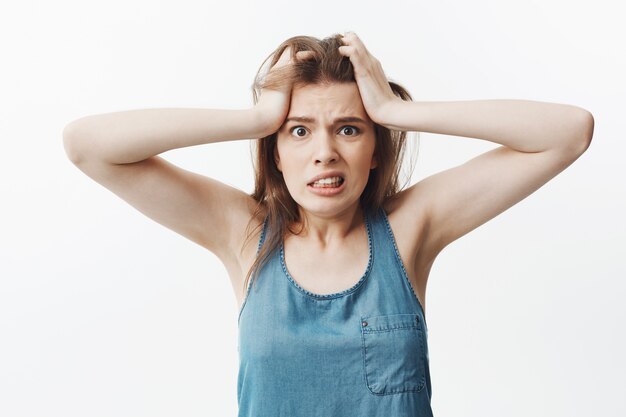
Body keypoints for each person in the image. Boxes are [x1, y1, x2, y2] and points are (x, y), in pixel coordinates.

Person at [62, 31, 594, 417]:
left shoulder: (410, 230)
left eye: (349, 128)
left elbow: (568, 132)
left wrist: (393, 109)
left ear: (375, 150)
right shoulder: (243, 234)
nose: (324, 153)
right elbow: (87, 146)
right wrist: (254, 120)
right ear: (273, 152)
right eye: (298, 132)